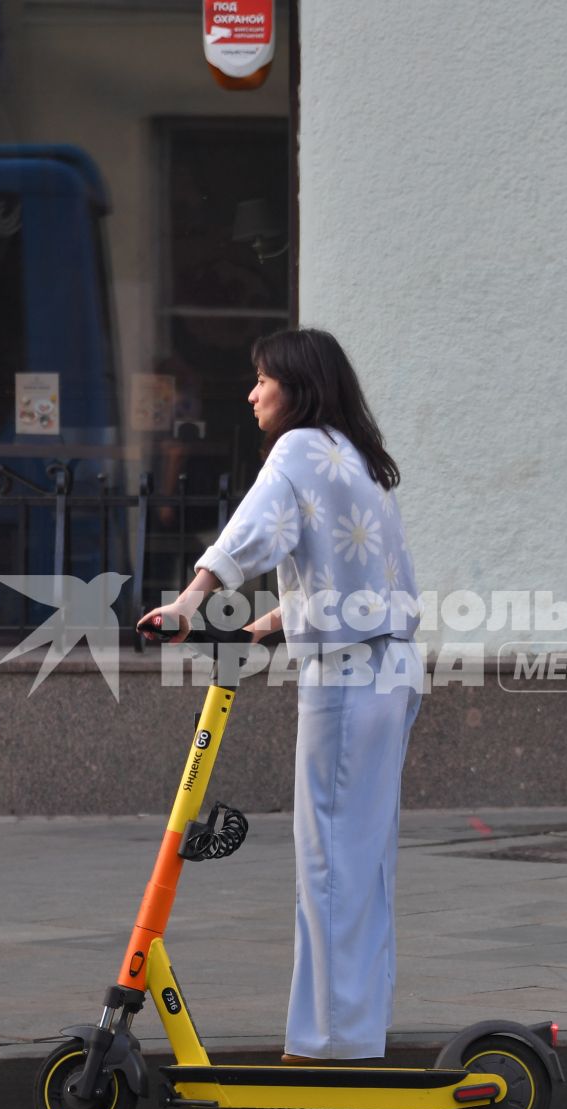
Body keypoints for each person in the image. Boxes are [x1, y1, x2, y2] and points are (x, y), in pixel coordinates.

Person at [137, 327, 422, 1065]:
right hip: (393, 668)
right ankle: (353, 1032)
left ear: (295, 385)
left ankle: (329, 1043)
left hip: (350, 677)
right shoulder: (355, 457)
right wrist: (270, 623)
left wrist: (191, 600)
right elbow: (344, 575)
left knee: (328, 858)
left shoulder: (297, 450)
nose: (253, 392)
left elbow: (253, 531)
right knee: (365, 858)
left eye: (262, 378)